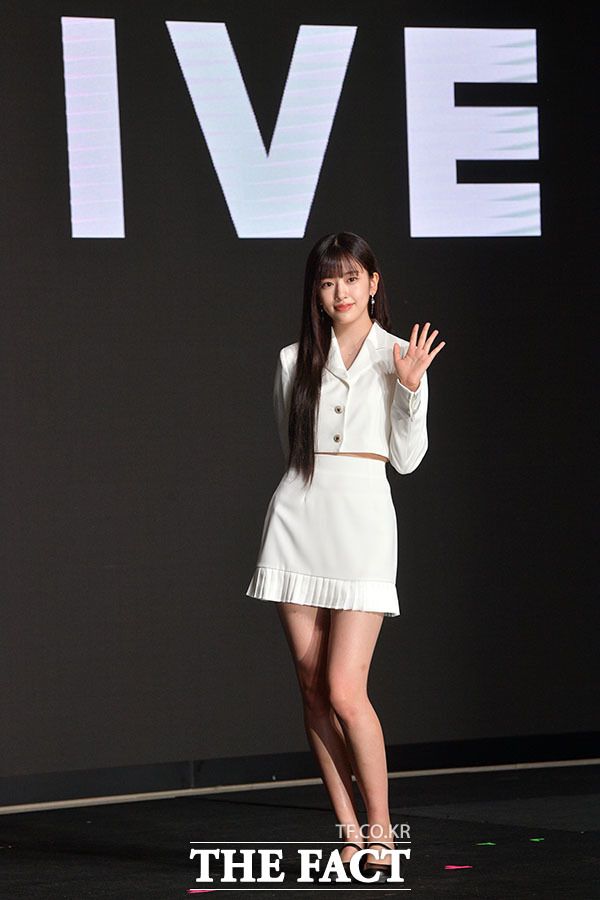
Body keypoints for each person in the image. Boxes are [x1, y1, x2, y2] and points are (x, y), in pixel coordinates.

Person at [245, 232, 445, 881]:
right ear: (317, 290)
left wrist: (410, 389)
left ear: (374, 283)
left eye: (352, 278)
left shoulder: (400, 355)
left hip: (362, 523)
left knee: (344, 688)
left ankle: (382, 828)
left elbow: (407, 461)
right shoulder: (292, 359)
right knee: (310, 688)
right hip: (298, 519)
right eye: (329, 281)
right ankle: (349, 832)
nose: (341, 292)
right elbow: (292, 448)